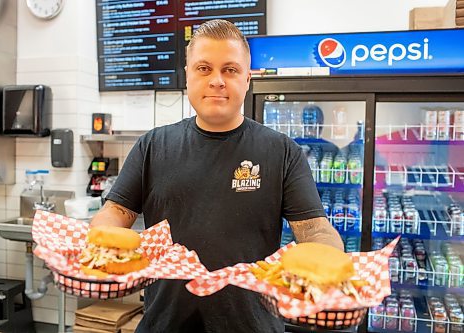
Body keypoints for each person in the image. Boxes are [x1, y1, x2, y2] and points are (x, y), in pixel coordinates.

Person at [90, 19, 343, 333]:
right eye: (204, 68)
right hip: (164, 325)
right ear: (188, 76)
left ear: (248, 78)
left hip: (254, 326)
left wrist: (330, 262)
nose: (217, 81)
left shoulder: (282, 151)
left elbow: (314, 228)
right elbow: (116, 211)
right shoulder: (152, 146)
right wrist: (100, 246)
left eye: (231, 70)